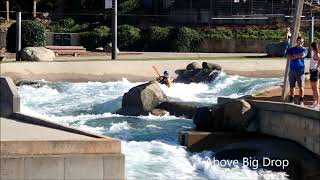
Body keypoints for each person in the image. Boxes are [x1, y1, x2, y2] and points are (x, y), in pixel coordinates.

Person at [286, 36, 308, 106]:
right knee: (292, 86)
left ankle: (301, 101)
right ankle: (291, 100)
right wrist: (296, 56)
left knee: (301, 87)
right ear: (297, 41)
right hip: (292, 70)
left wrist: (293, 56)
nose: (301, 43)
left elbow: (302, 55)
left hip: (300, 71)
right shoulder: (291, 49)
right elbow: (288, 57)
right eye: (299, 41)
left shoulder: (304, 49)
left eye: (302, 42)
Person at [309, 42, 320, 109]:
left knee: (316, 89)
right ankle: (315, 102)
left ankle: (318, 104)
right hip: (312, 72)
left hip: (315, 72)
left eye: (311, 46)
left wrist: (316, 68)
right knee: (313, 89)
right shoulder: (314, 54)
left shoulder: (317, 54)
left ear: (313, 47)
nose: (310, 48)